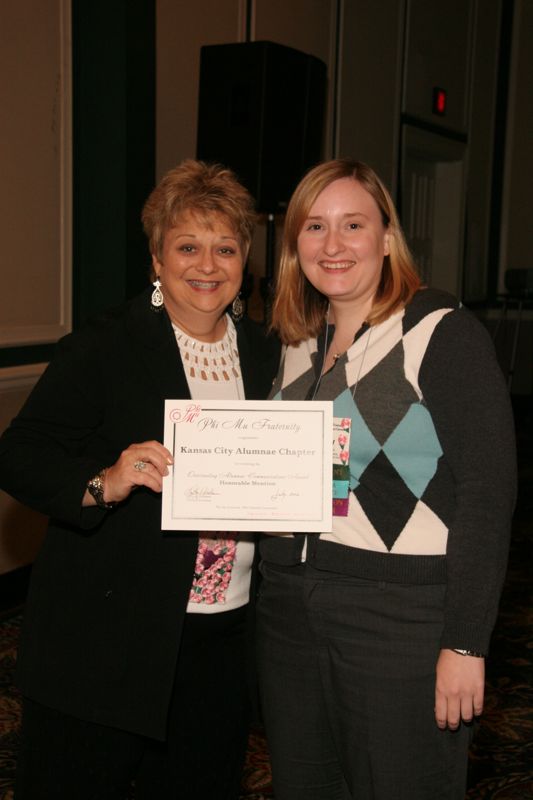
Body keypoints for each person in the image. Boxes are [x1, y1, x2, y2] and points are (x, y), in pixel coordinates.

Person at [0, 159, 280, 799]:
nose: (206, 265)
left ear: (244, 262)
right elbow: (18, 454)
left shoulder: (272, 354)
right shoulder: (106, 346)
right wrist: (105, 479)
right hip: (108, 641)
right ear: (156, 258)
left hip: (223, 640)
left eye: (225, 247)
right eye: (187, 246)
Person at [256, 158, 516, 800]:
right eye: (314, 226)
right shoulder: (294, 342)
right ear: (295, 246)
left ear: (387, 237)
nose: (334, 244)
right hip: (290, 610)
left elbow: (490, 491)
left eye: (353, 224)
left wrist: (465, 640)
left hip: (397, 615)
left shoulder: (439, 332)